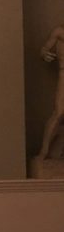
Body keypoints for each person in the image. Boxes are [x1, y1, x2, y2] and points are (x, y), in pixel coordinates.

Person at [37, 24, 64, 159]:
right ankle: (44, 151)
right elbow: (45, 49)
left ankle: (57, 151)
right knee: (59, 112)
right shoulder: (59, 31)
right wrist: (44, 54)